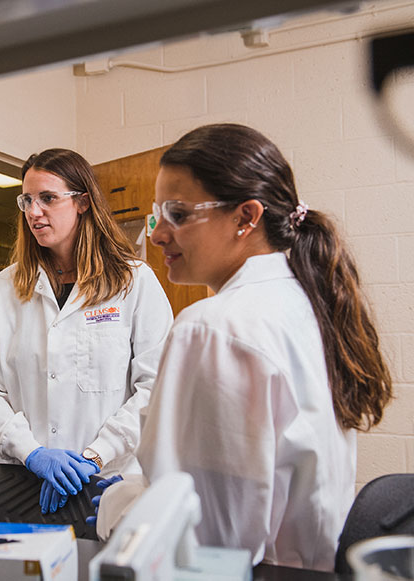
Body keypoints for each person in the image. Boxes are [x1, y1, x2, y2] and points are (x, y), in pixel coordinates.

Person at [95, 124, 393, 571]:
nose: (157, 235)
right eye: (159, 214)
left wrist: (114, 505)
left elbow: (204, 538)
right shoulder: (305, 302)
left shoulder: (213, 328)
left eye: (178, 214)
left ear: (245, 217)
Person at [0, 148, 173, 514]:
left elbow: (156, 387)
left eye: (48, 198)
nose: (34, 212)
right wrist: (32, 453)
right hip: (20, 483)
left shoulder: (134, 282)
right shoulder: (3, 289)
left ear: (83, 202)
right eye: (28, 200)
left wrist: (95, 457)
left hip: (108, 485)